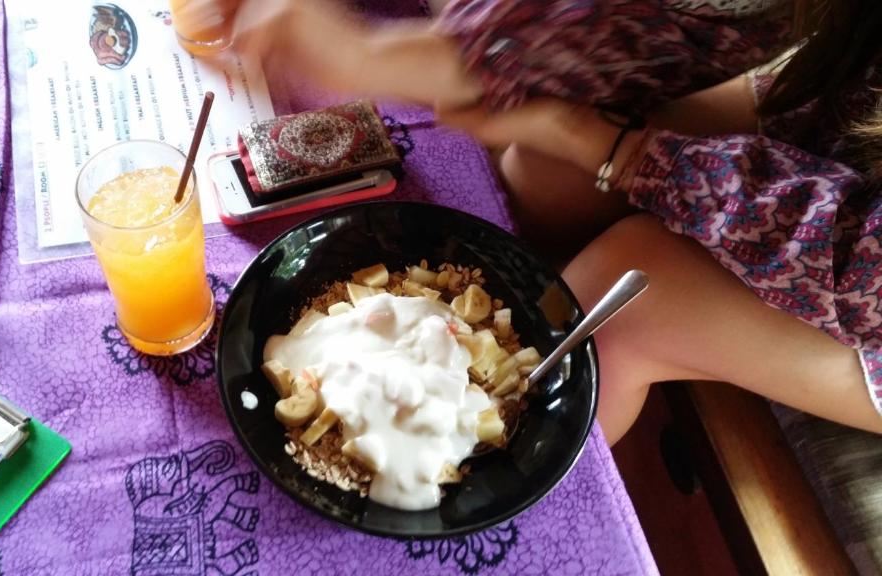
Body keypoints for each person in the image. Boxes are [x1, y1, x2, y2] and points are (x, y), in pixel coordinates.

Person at [215, 0, 882, 443]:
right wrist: (464, 56)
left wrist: (622, 153)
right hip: (842, 104)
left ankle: (479, 491)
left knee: (619, 306)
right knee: (543, 171)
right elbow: (697, 18)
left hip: (867, 283)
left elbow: (857, 270)